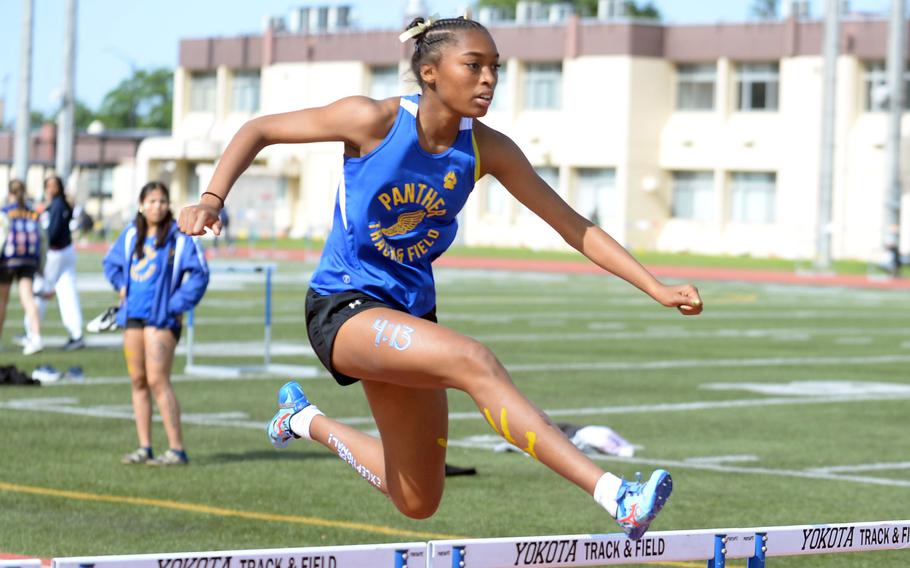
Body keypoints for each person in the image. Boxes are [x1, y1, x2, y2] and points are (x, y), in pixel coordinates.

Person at [178, 16, 703, 539]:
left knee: (417, 500)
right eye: (474, 66)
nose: (489, 80)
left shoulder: (487, 149)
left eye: (495, 68)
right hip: (343, 306)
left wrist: (654, 286)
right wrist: (210, 199)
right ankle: (616, 495)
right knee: (473, 359)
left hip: (409, 315)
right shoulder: (373, 120)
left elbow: (574, 226)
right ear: (429, 72)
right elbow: (259, 129)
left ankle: (303, 420)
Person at [103, 181, 209, 466]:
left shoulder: (180, 236)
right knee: (138, 381)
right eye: (151, 201)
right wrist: (120, 286)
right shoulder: (130, 234)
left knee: (157, 380)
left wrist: (176, 306)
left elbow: (199, 273)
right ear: (141, 204)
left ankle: (176, 449)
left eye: (162, 201)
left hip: (162, 318)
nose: (157, 206)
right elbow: (110, 264)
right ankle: (144, 446)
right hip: (132, 316)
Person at [27, 175, 85, 351]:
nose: (51, 189)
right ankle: (76, 334)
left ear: (59, 188)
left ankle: (31, 332)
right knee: (67, 293)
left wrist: (38, 247)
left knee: (39, 290)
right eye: (48, 186)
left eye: (54, 186)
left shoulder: (57, 205)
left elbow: (51, 233)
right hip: (66, 252)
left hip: (55, 254)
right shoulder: (61, 204)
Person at [1, 179, 45, 355]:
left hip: (7, 260)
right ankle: (36, 337)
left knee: (2, 301)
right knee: (27, 298)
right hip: (29, 260)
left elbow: (1, 236)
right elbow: (43, 239)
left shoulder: (5, 212)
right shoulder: (33, 212)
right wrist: (41, 263)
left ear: (10, 193)